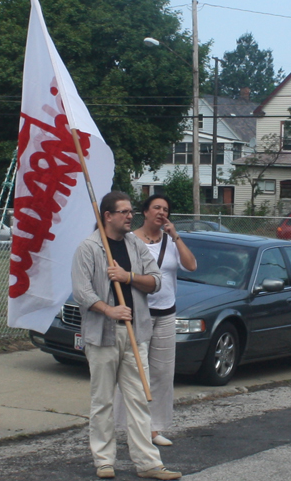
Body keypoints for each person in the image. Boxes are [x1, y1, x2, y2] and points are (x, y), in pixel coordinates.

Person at [72, 191, 182, 480]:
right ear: (107, 216)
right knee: (103, 401)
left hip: (136, 334)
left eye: (131, 211)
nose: (130, 215)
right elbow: (82, 292)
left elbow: (156, 281)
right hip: (102, 336)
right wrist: (109, 310)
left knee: (138, 400)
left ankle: (148, 463)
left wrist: (128, 277)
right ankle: (104, 460)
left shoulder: (135, 244)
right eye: (123, 212)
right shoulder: (89, 248)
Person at [134, 194, 197, 446]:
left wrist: (176, 236)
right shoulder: (131, 240)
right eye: (156, 208)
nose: (161, 212)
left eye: (166, 209)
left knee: (162, 373)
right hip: (139, 314)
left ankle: (154, 428)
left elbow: (191, 265)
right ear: (145, 212)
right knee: (137, 374)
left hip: (166, 313)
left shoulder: (170, 241)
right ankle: (132, 426)